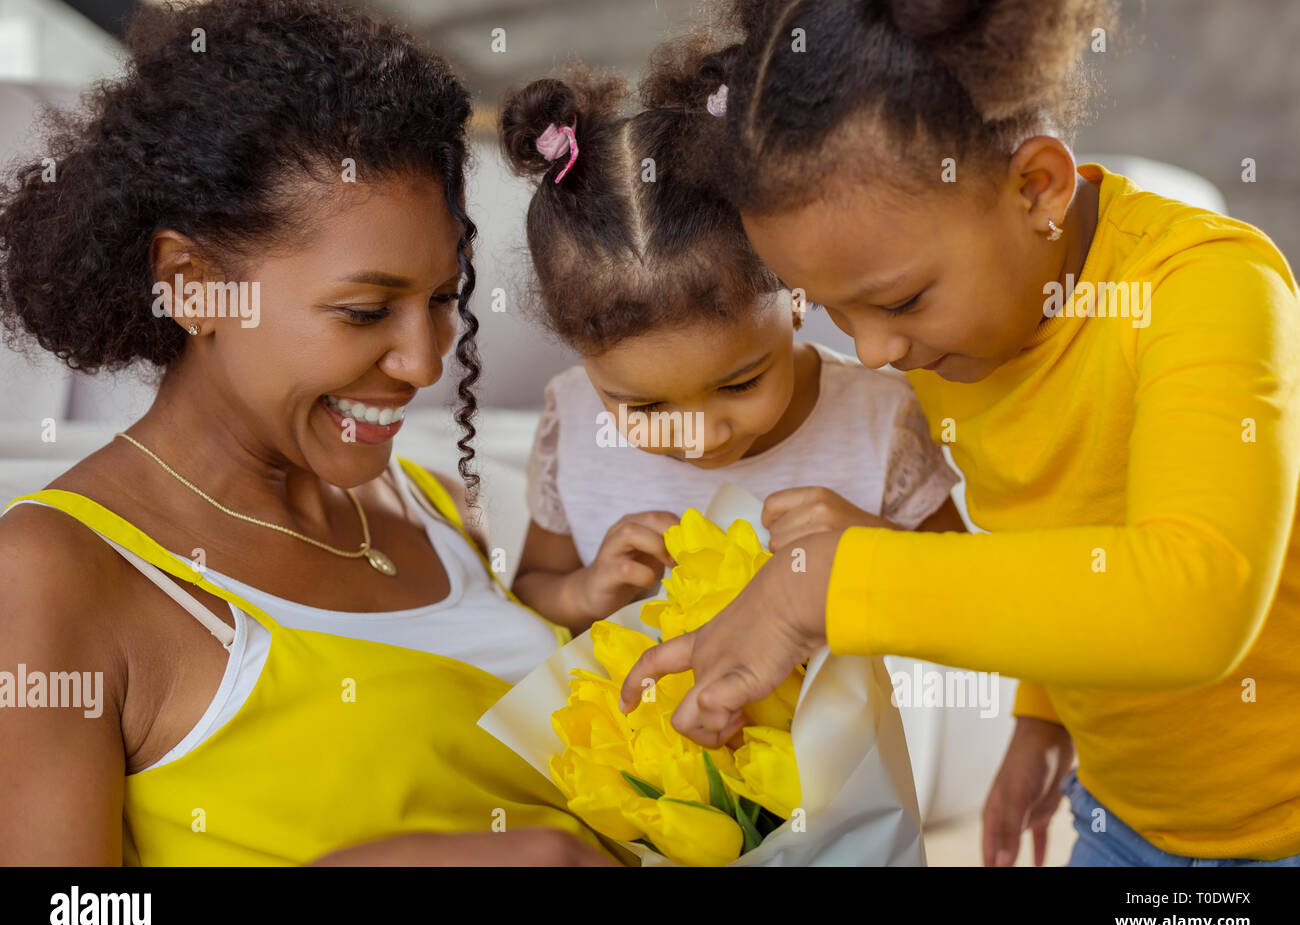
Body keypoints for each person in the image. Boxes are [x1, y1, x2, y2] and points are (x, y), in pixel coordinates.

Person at [620, 0, 1300, 867]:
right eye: (831, 311)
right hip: (1125, 820)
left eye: (900, 300)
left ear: (1037, 187)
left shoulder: (1206, 289)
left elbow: (1196, 598)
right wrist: (1042, 713)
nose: (875, 350)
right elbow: (1060, 542)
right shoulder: (955, 343)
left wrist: (826, 582)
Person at [0, 0, 612, 866]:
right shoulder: (52, 571)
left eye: (443, 300)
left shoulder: (426, 506)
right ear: (192, 284)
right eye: (366, 311)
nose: (423, 364)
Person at [500, 46, 967, 639]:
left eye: (741, 382)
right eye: (643, 406)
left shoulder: (879, 420)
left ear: (797, 295)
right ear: (581, 354)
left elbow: (966, 602)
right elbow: (534, 590)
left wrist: (877, 555)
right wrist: (585, 590)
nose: (705, 434)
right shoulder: (571, 422)